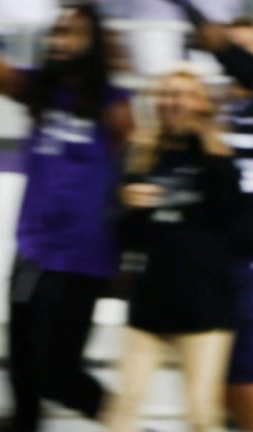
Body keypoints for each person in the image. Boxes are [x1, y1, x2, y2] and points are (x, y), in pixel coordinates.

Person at [0, 1, 133, 431]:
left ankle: (130, 424)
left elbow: (136, 165)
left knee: (57, 375)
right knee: (22, 385)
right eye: (57, 32)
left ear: (94, 44)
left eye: (72, 34)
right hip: (31, 254)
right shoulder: (41, 93)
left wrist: (127, 253)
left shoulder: (114, 105)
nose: (60, 41)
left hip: (83, 261)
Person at [107, 69, 239, 432]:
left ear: (199, 103)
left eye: (181, 94)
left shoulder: (217, 155)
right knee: (122, 407)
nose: (170, 102)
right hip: (150, 303)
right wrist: (129, 207)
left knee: (201, 414)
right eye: (165, 94)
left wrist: (209, 139)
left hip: (205, 307)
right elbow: (125, 237)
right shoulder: (142, 153)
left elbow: (236, 222)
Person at [161, 2, 253, 429]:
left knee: (237, 383)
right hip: (216, 263)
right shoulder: (208, 116)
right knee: (212, 386)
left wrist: (189, 10)